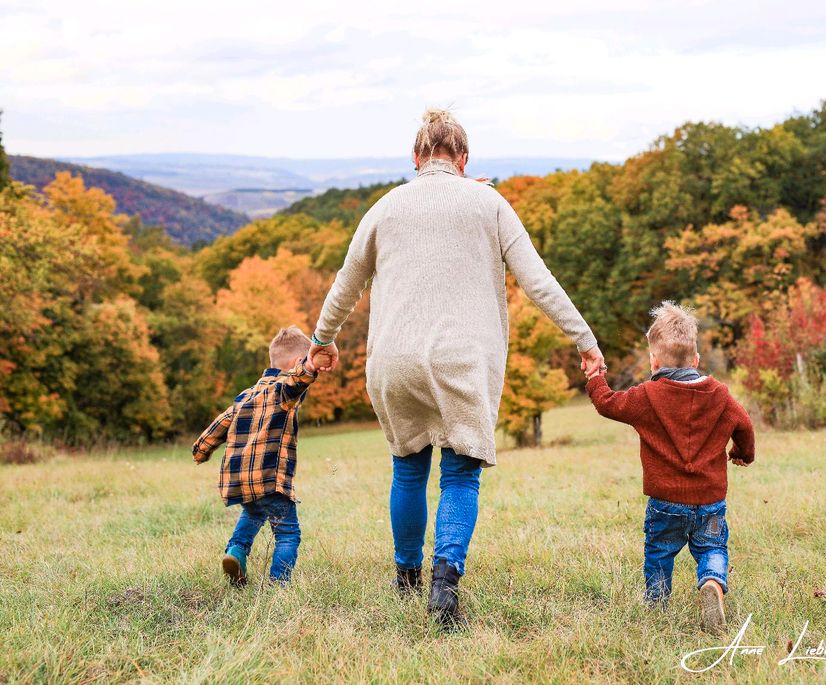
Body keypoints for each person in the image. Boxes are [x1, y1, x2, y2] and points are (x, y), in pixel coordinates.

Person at [309, 108, 605, 626]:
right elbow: (538, 280)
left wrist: (321, 342)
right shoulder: (489, 203)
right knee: (461, 474)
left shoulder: (383, 208)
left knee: (408, 467)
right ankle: (444, 587)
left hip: (393, 361)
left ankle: (406, 577)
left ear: (416, 158)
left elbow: (345, 284)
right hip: (461, 359)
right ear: (463, 159)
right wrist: (584, 339)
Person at [584, 302, 754, 634]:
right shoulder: (720, 395)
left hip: (665, 502)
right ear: (696, 361)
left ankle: (657, 606)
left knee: (660, 552)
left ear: (654, 361)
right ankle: (713, 584)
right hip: (710, 500)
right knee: (713, 547)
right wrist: (742, 453)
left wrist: (595, 376)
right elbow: (744, 424)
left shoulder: (647, 396)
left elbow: (607, 402)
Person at [192, 326, 319, 587]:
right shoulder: (283, 391)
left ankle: (235, 552)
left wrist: (201, 449)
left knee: (252, 513)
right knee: (288, 533)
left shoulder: (245, 396)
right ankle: (278, 585)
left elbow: (220, 424)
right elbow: (300, 379)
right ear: (297, 362)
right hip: (269, 477)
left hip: (240, 478)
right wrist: (313, 364)